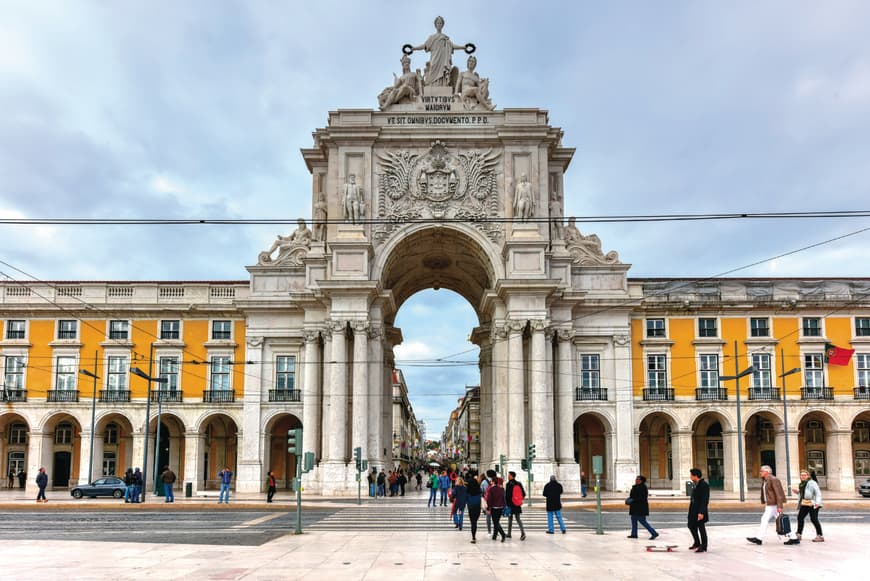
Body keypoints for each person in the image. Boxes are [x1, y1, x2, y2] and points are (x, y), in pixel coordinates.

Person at [747, 465, 799, 545]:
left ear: (767, 472)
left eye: (761, 471)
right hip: (770, 504)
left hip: (773, 505)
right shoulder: (766, 480)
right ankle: (793, 538)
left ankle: (759, 538)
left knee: (766, 520)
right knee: (777, 521)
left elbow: (779, 494)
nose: (760, 472)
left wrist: (780, 506)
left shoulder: (773, 479)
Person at [408, 16, 467, 87]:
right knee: (432, 71)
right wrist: (414, 48)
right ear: (435, 25)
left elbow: (452, 46)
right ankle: (432, 87)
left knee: (443, 72)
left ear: (442, 25)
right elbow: (424, 46)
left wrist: (463, 47)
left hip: (443, 60)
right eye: (438, 23)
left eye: (440, 23)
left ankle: (443, 86)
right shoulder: (432, 37)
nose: (439, 24)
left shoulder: (445, 38)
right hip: (435, 58)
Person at [793, 469, 824, 542]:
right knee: (800, 517)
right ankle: (799, 534)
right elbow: (805, 493)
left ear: (808, 476)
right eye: (801, 475)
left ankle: (820, 535)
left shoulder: (812, 483)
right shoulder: (802, 484)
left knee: (814, 519)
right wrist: (798, 492)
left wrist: (817, 503)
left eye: (804, 475)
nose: (803, 476)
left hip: (813, 503)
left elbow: (818, 493)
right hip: (805, 503)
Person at [627, 475, 658, 540]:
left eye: (638, 479)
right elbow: (632, 496)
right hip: (634, 507)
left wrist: (633, 500)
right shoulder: (635, 487)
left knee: (643, 521)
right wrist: (629, 499)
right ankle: (634, 534)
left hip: (640, 508)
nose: (636, 480)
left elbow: (642, 498)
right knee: (634, 521)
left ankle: (654, 533)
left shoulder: (643, 487)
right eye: (636, 479)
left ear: (641, 481)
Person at [687, 468, 709, 553]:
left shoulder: (704, 485)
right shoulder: (695, 484)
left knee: (701, 528)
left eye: (691, 475)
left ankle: (703, 546)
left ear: (695, 476)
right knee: (690, 525)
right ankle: (697, 542)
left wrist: (701, 512)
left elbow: (705, 500)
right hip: (693, 510)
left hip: (699, 510)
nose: (690, 476)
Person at [504, 471, 526, 540]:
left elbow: (507, 496)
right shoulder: (519, 483)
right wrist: (518, 500)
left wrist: (506, 504)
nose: (508, 476)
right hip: (517, 504)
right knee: (518, 519)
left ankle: (509, 534)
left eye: (509, 475)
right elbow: (523, 494)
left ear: (511, 476)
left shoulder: (508, 484)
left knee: (510, 519)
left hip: (510, 505)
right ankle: (523, 533)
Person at [486, 476, 507, 542]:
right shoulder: (501, 489)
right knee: (496, 521)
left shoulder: (491, 489)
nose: (490, 482)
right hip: (500, 507)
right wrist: (504, 506)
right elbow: (504, 498)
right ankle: (494, 536)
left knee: (495, 523)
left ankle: (503, 534)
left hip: (494, 507)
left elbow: (489, 500)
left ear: (493, 482)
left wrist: (488, 508)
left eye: (491, 481)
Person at [465, 471, 483, 543]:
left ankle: (473, 537)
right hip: (477, 508)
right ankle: (474, 535)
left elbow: (466, 500)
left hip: (471, 507)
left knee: (473, 522)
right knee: (475, 521)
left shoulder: (468, 494)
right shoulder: (479, 493)